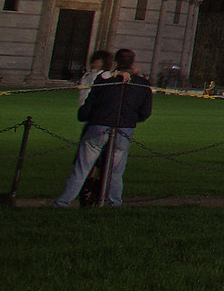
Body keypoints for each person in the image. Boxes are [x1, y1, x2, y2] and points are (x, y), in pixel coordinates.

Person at [55, 49, 153, 207]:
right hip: (124, 129)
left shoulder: (103, 80)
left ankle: (62, 202)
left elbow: (89, 106)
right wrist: (129, 119)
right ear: (132, 63)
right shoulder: (143, 84)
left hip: (99, 125)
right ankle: (113, 202)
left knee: (82, 169)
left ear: (116, 62)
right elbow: (145, 112)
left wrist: (84, 115)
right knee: (115, 172)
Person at [71, 51, 117, 208]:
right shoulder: (89, 76)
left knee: (97, 159)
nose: (94, 64)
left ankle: (92, 191)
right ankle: (90, 190)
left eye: (97, 62)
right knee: (94, 159)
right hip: (93, 118)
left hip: (96, 119)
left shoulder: (103, 76)